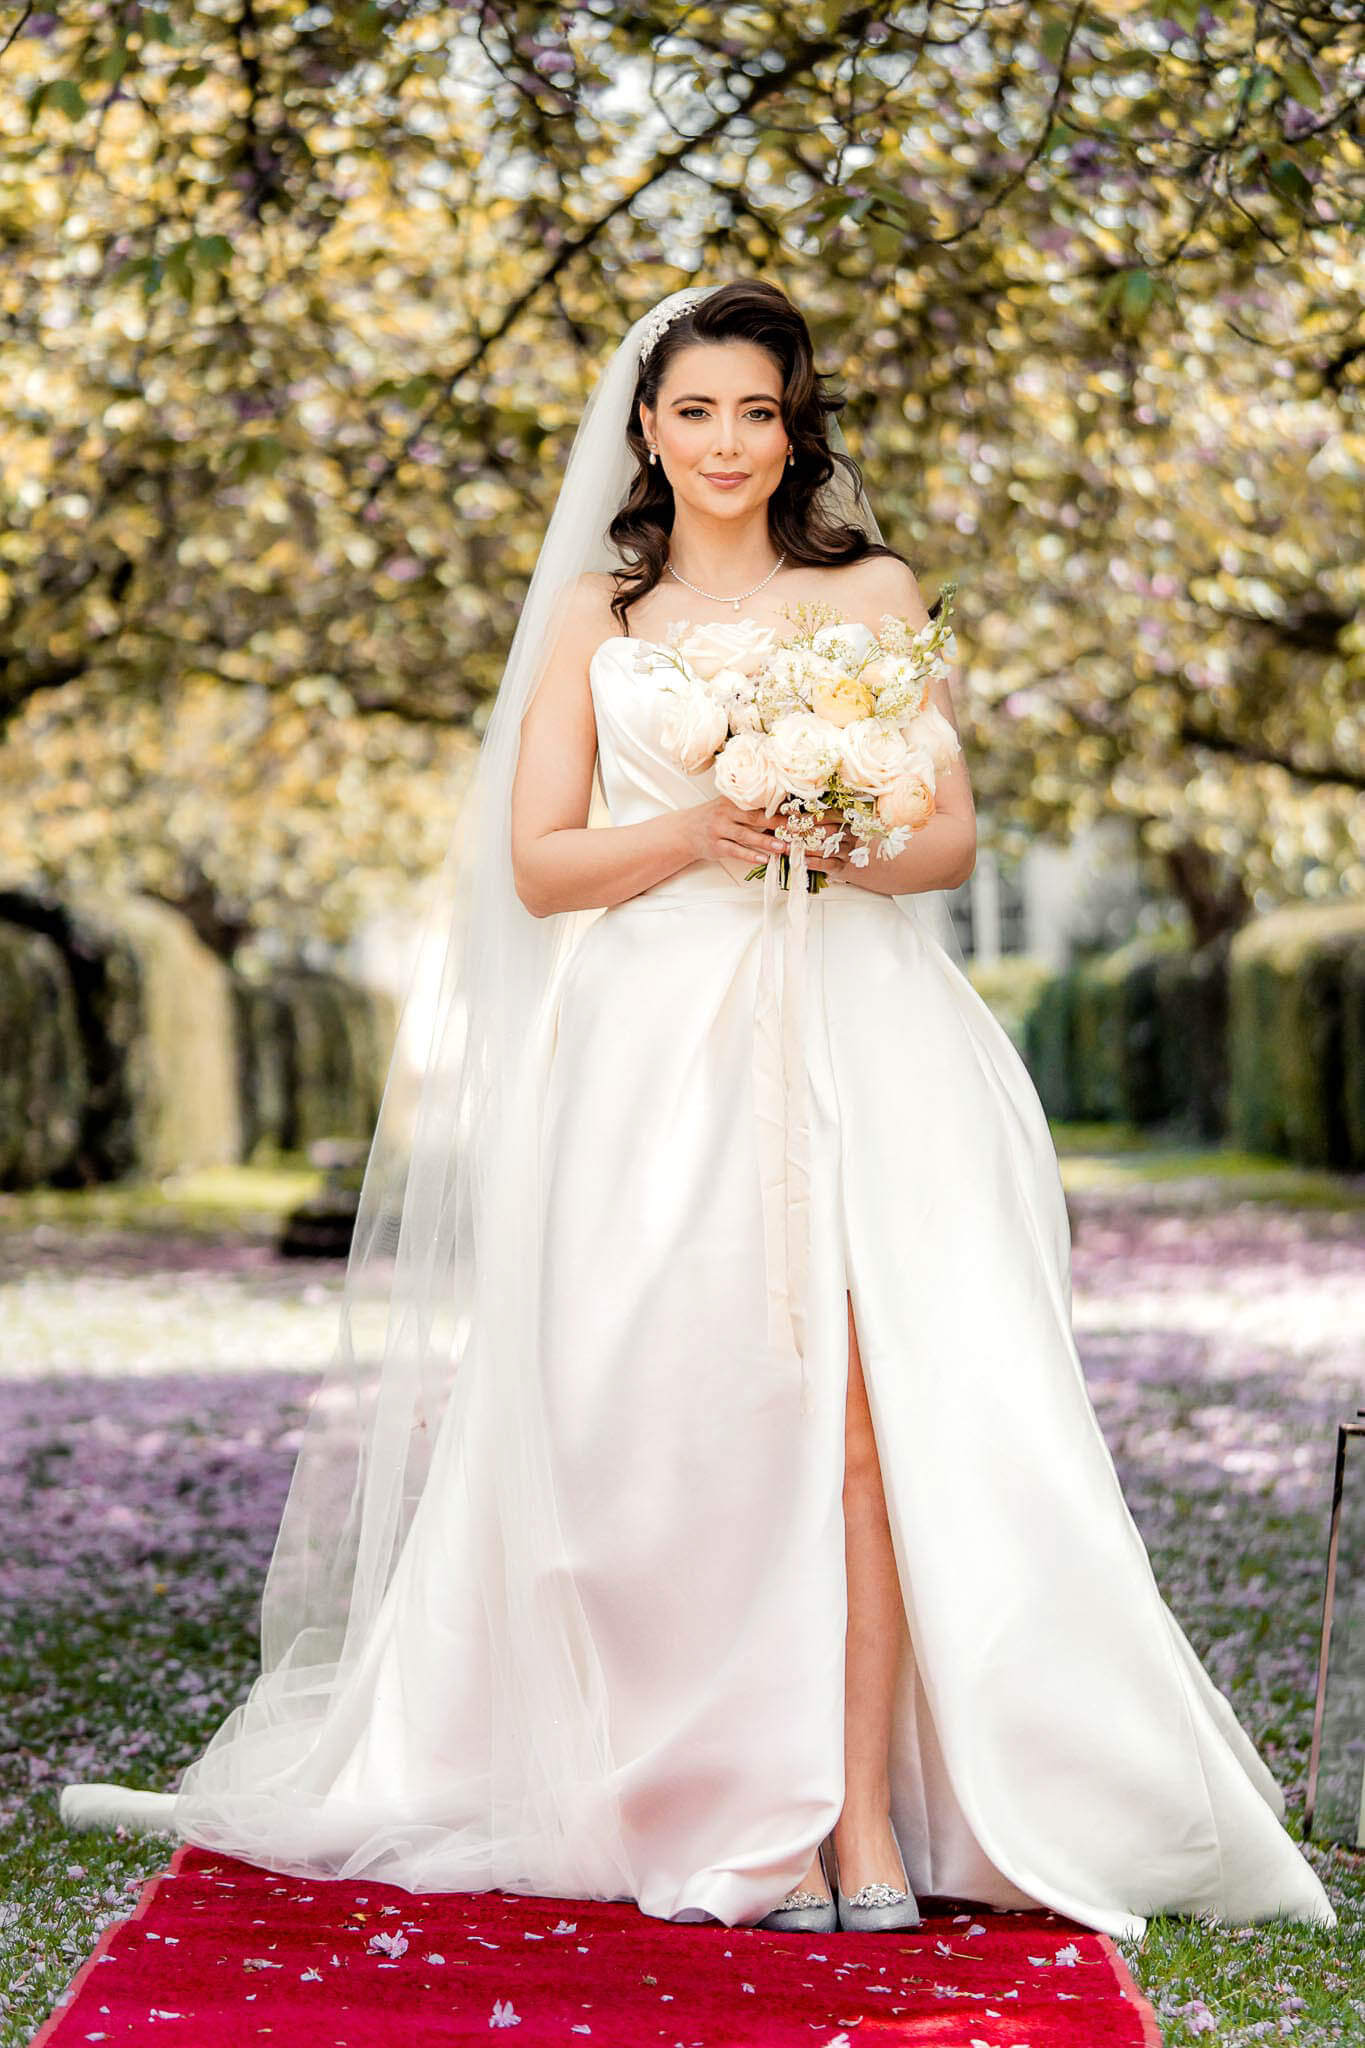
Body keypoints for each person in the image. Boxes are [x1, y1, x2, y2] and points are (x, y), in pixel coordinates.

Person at [62, 279, 1336, 1942]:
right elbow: (538, 864)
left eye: (758, 412)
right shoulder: (599, 610)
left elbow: (944, 839)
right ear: (647, 432)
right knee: (697, 1431)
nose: (728, 444)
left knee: (877, 1434)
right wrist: (703, 829)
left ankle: (862, 1828)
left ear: (795, 426)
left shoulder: (869, 587)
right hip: (656, 1052)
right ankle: (733, 1804)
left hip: (862, 1037)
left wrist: (828, 822)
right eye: (696, 413)